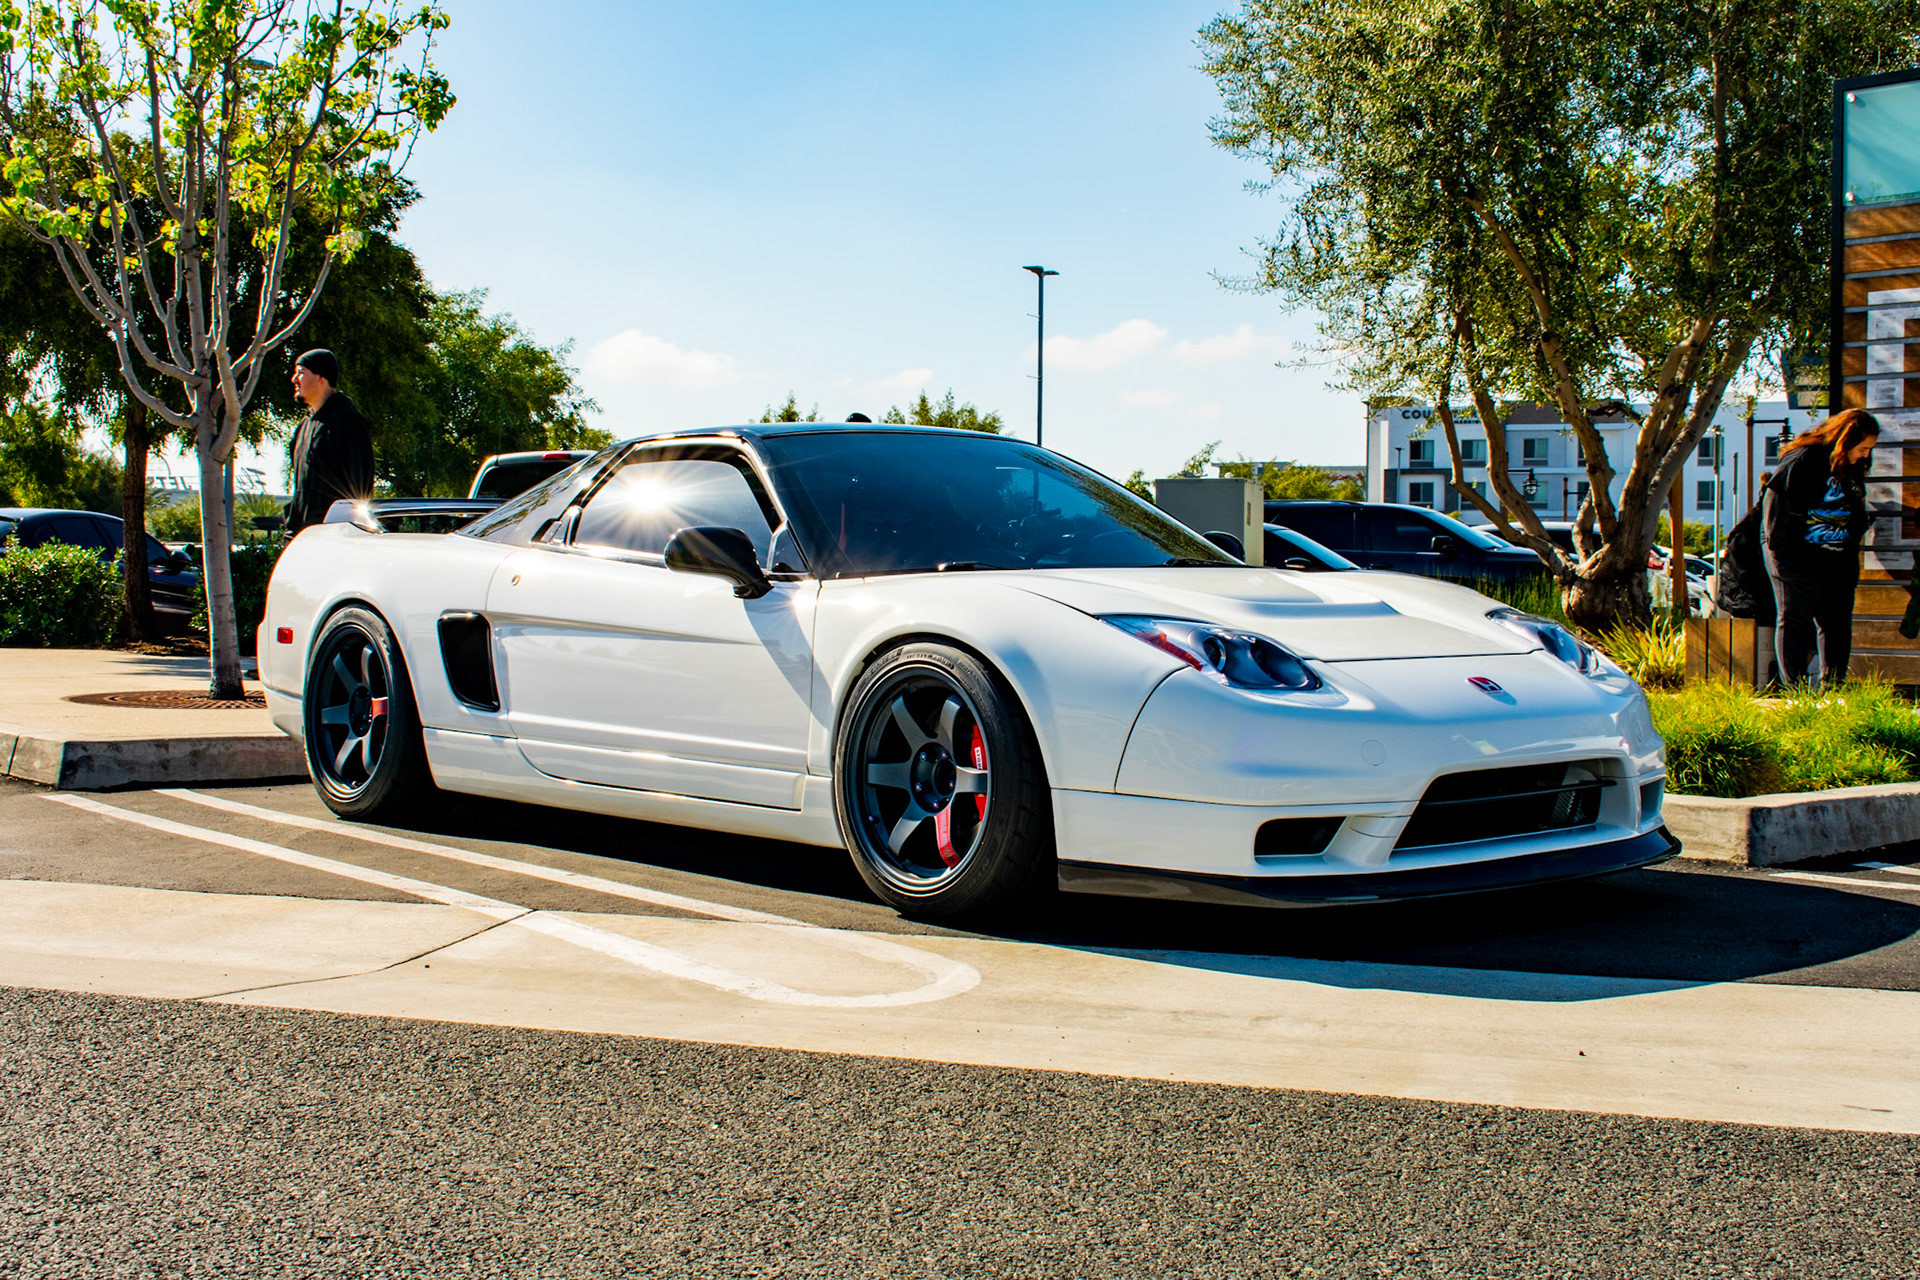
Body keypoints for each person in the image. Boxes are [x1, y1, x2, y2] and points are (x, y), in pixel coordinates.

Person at [1761, 407, 1880, 688]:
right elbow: (1775, 500)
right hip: (1797, 556)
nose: (1866, 455)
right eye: (1863, 448)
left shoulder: (1850, 466)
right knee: (1795, 619)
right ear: (1845, 439)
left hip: (1838, 558)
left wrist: (1857, 529)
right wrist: (1779, 552)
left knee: (1837, 621)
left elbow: (1854, 504)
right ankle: (1797, 690)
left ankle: (1834, 686)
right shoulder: (1804, 458)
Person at [284, 348, 375, 533]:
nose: (294, 379)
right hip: (303, 536)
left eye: (301, 372)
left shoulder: (347, 421)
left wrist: (352, 532)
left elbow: (360, 489)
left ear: (321, 378)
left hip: (336, 537)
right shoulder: (304, 426)